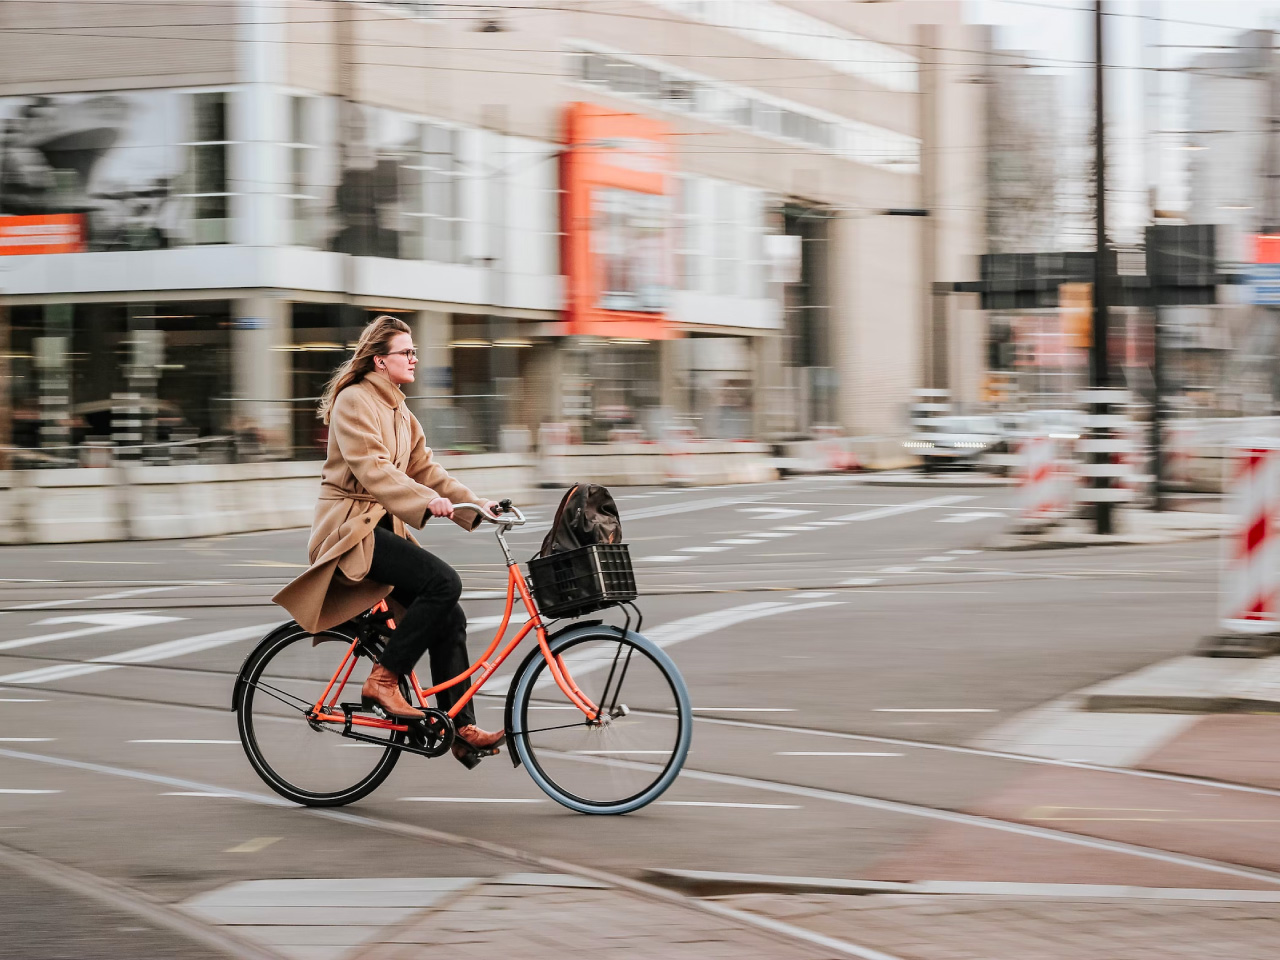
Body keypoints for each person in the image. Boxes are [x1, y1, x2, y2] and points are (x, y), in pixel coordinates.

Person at [273, 315, 506, 766]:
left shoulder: (401, 410)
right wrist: (426, 502)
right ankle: (383, 680)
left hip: (380, 528)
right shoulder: (354, 401)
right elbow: (374, 470)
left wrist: (478, 506)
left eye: (415, 350)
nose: (415, 358)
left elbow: (427, 470)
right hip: (350, 529)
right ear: (380, 360)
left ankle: (459, 727)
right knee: (444, 582)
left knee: (450, 616)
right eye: (406, 351)